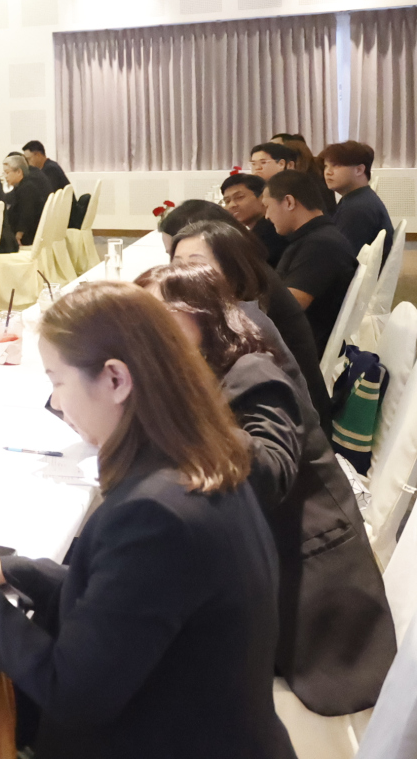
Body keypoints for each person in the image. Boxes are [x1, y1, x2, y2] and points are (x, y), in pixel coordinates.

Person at [0, 283, 292, 759]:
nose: (56, 403)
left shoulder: (155, 515)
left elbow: (69, 690)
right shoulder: (207, 458)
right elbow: (132, 604)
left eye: (57, 382)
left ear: (115, 379)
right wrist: (10, 569)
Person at [136, 264, 394, 717]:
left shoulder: (253, 371)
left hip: (306, 598)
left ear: (200, 315)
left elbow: (269, 474)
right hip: (252, 569)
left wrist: (181, 404)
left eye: (154, 316)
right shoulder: (200, 372)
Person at [167, 216, 326, 420]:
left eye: (196, 264)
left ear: (231, 270)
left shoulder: (244, 327)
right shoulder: (214, 315)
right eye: (177, 264)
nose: (182, 275)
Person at [265, 169, 358, 351]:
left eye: (267, 206)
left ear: (289, 202)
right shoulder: (316, 237)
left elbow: (289, 307)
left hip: (302, 349)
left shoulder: (321, 245)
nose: (267, 216)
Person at [320, 140, 396, 263]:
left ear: (359, 170)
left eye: (336, 166)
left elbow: (340, 258)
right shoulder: (358, 198)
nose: (328, 172)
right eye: (326, 166)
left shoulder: (357, 209)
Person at [221, 172, 288, 265]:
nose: (232, 205)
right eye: (227, 201)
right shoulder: (251, 233)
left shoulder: (273, 231)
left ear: (262, 198)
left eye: (239, 197)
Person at [1, 152, 48, 253]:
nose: (5, 176)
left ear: (19, 172)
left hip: (28, 237)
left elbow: (27, 215)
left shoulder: (27, 188)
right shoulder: (25, 185)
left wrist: (19, 235)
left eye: (7, 172)